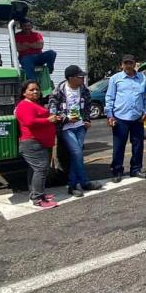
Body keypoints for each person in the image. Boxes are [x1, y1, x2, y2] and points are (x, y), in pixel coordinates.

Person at [48, 65, 102, 197]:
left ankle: (79, 184)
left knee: (76, 154)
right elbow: (52, 110)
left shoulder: (83, 90)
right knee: (77, 152)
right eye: (80, 76)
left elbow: (88, 105)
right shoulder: (59, 91)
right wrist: (66, 119)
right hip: (66, 128)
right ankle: (77, 183)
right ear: (71, 78)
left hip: (80, 126)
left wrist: (87, 120)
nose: (83, 78)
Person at [15, 80, 59, 209]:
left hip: (37, 142)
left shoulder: (33, 104)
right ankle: (38, 198)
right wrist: (48, 120)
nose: (35, 92)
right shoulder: (24, 105)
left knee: (34, 169)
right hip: (32, 142)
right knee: (41, 169)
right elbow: (29, 122)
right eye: (31, 90)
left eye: (37, 89)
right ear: (24, 92)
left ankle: (35, 193)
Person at [106, 54, 146, 182]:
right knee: (119, 146)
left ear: (134, 64)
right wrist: (110, 115)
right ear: (122, 65)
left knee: (138, 146)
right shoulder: (115, 79)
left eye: (130, 63)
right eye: (126, 63)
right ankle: (117, 171)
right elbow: (110, 97)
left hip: (137, 118)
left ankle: (136, 169)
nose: (128, 65)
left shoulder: (142, 78)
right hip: (120, 118)